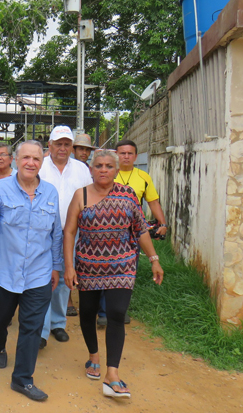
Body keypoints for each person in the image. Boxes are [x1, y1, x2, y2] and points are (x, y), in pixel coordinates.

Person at [0, 140, 63, 402]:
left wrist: (57, 266)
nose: (31, 163)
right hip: (2, 273)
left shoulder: (51, 193)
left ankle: (22, 379)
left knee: (31, 327)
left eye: (36, 159)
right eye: (26, 158)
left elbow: (56, 235)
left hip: (38, 274)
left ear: (42, 162)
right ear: (16, 160)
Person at [64, 149, 164, 399]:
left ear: (117, 170)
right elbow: (68, 232)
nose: (103, 170)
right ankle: (93, 357)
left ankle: (112, 373)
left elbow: (140, 229)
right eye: (98, 165)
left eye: (109, 166)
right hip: (88, 265)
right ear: (91, 169)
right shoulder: (81, 195)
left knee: (116, 314)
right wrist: (69, 266)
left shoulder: (128, 195)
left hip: (122, 264)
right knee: (87, 313)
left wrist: (154, 259)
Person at [38, 125, 92, 349]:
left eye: (66, 144)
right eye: (58, 143)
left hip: (71, 232)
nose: (62, 148)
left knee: (63, 278)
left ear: (72, 147)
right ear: (49, 145)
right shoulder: (39, 165)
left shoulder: (81, 169)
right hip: (41, 231)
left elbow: (89, 197)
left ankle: (58, 323)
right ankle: (40, 329)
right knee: (40, 277)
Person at [66, 133, 96, 317]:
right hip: (66, 220)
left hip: (84, 222)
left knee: (81, 259)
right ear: (73, 150)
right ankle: (67, 299)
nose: (84, 152)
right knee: (66, 260)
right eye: (80, 149)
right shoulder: (66, 167)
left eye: (87, 149)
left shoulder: (90, 170)